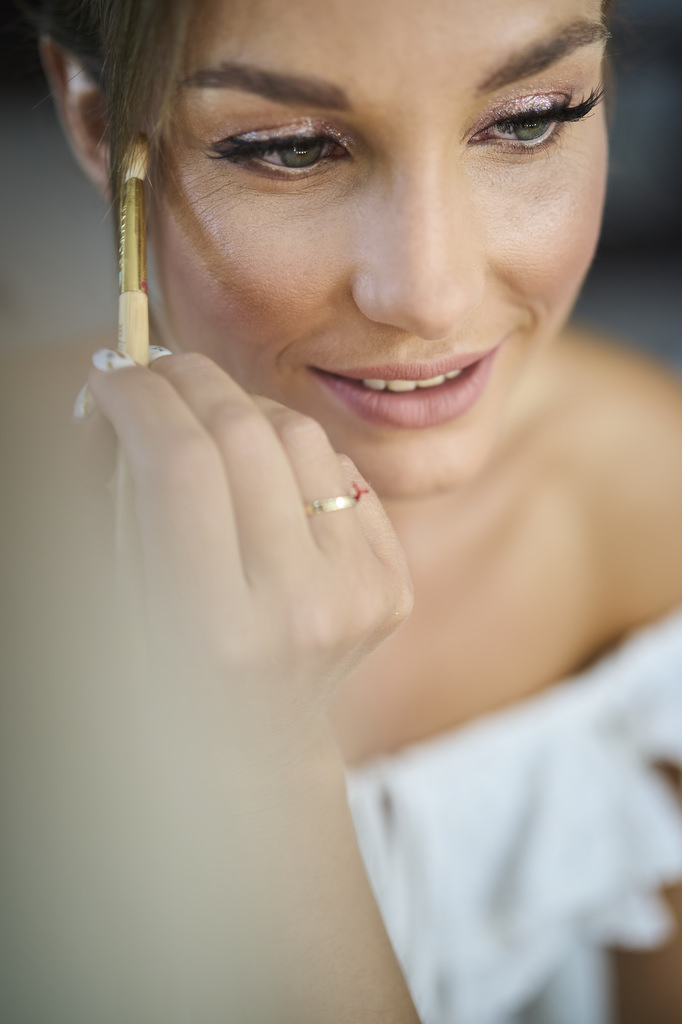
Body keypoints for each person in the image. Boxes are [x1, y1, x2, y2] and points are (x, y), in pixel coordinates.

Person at [2, 0, 682, 1021]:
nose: (429, 294)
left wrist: (263, 766)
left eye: (529, 120)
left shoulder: (652, 500)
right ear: (99, 124)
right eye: (291, 148)